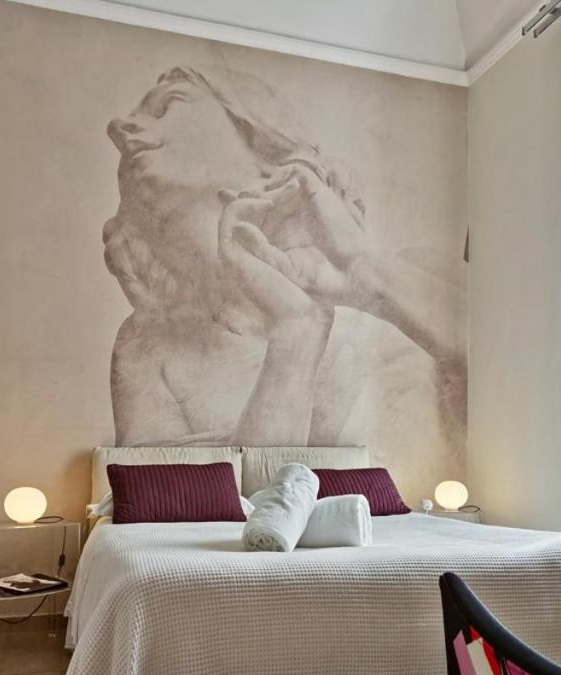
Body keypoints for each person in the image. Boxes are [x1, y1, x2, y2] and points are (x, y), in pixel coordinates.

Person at [103, 64, 465, 452]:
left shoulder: (426, 280)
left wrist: (362, 271)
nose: (119, 128)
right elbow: (255, 493)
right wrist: (298, 331)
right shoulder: (147, 348)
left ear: (257, 129)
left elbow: (506, 401)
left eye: (167, 105)